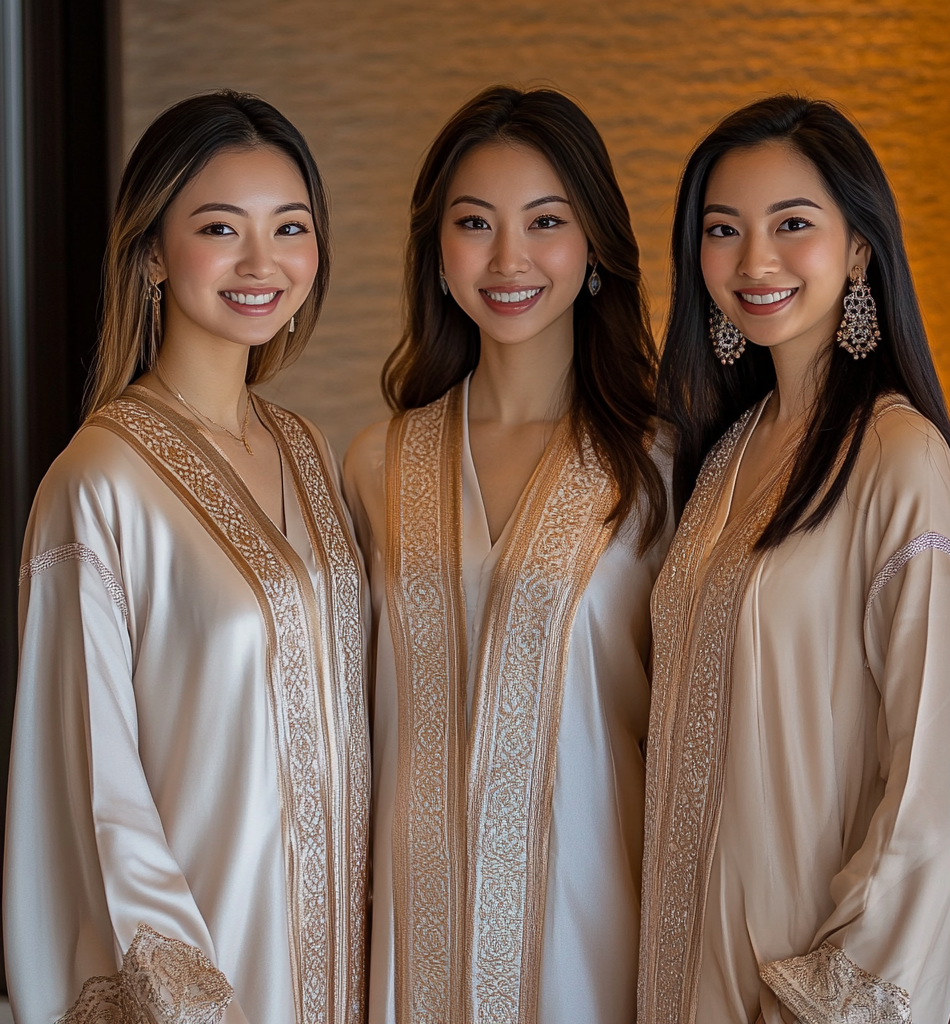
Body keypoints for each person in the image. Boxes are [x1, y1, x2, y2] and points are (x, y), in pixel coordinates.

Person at [638, 94, 950, 1024]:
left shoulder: (901, 459)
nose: (754, 260)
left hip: (799, 986)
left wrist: (832, 1001)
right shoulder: (720, 455)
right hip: (679, 973)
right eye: (724, 230)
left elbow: (945, 785)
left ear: (858, 249)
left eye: (792, 225)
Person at [6, 91, 370, 1024]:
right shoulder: (97, 483)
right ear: (155, 254)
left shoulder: (307, 451)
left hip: (342, 974)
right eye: (221, 227)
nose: (263, 262)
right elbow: (94, 788)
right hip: (216, 979)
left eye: (289, 227)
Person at [344, 85, 672, 1024]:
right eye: (475, 223)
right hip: (411, 946)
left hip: (593, 940)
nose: (508, 258)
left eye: (545, 222)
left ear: (594, 246)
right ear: (436, 252)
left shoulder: (659, 468)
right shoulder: (375, 462)